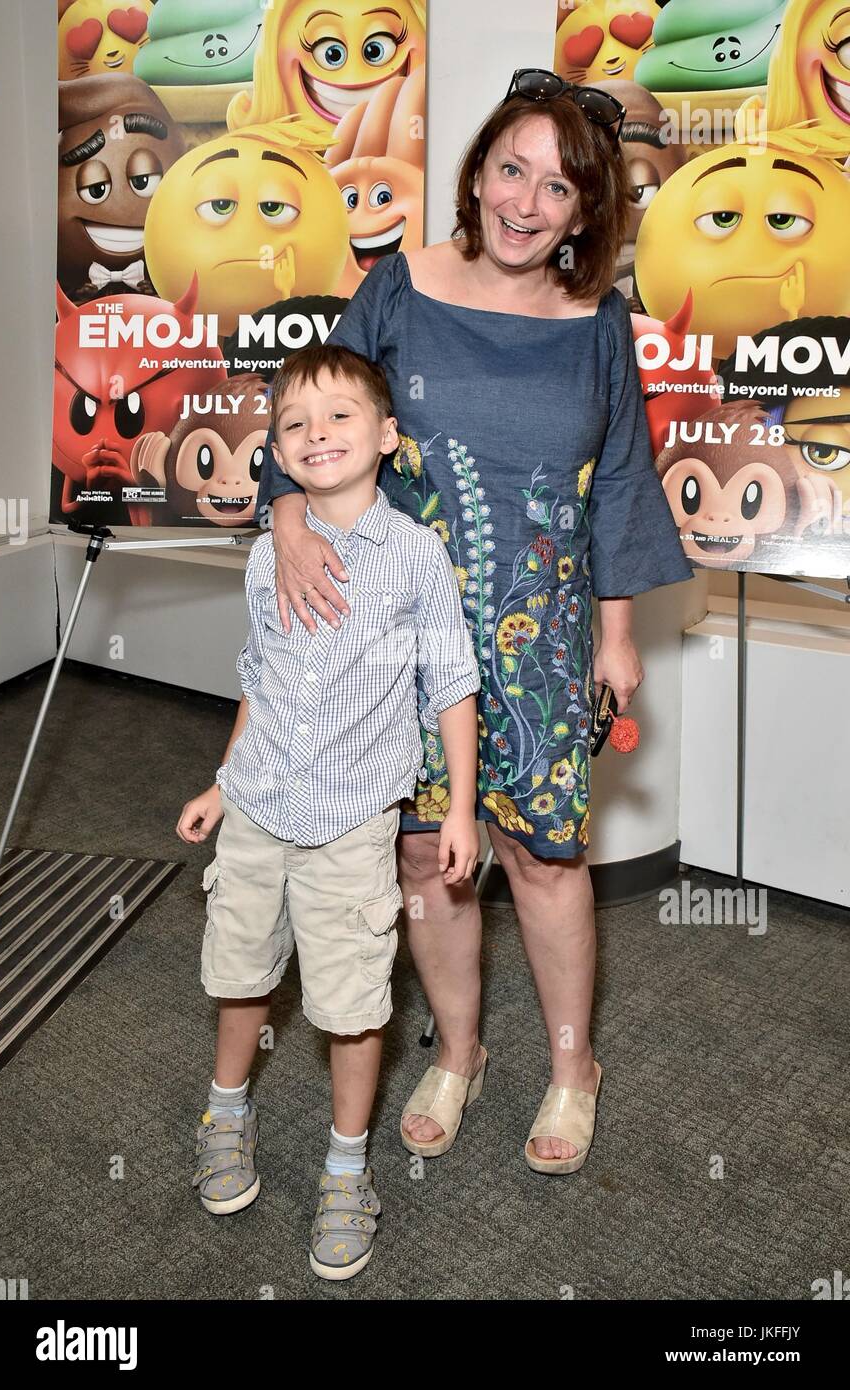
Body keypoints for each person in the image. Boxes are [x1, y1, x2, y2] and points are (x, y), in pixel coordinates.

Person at [257, 69, 694, 1176]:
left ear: (587, 212)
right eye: (512, 169)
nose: (526, 201)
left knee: (544, 860)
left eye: (559, 186)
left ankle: (571, 1065)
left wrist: (616, 632)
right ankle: (458, 1050)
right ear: (478, 171)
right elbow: (313, 409)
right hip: (393, 641)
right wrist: (292, 523)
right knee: (420, 852)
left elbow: (623, 480)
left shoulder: (599, 322)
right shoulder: (399, 285)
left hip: (540, 646)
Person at [176, 344, 480, 1279]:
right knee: (241, 975)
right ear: (277, 447)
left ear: (387, 435)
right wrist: (222, 782)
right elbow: (258, 679)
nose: (318, 435)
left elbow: (452, 685)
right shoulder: (270, 549)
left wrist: (460, 809)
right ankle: (226, 1113)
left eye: (341, 417)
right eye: (296, 423)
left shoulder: (418, 555)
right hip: (261, 802)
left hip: (355, 824)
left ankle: (347, 1171)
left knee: (351, 1005)